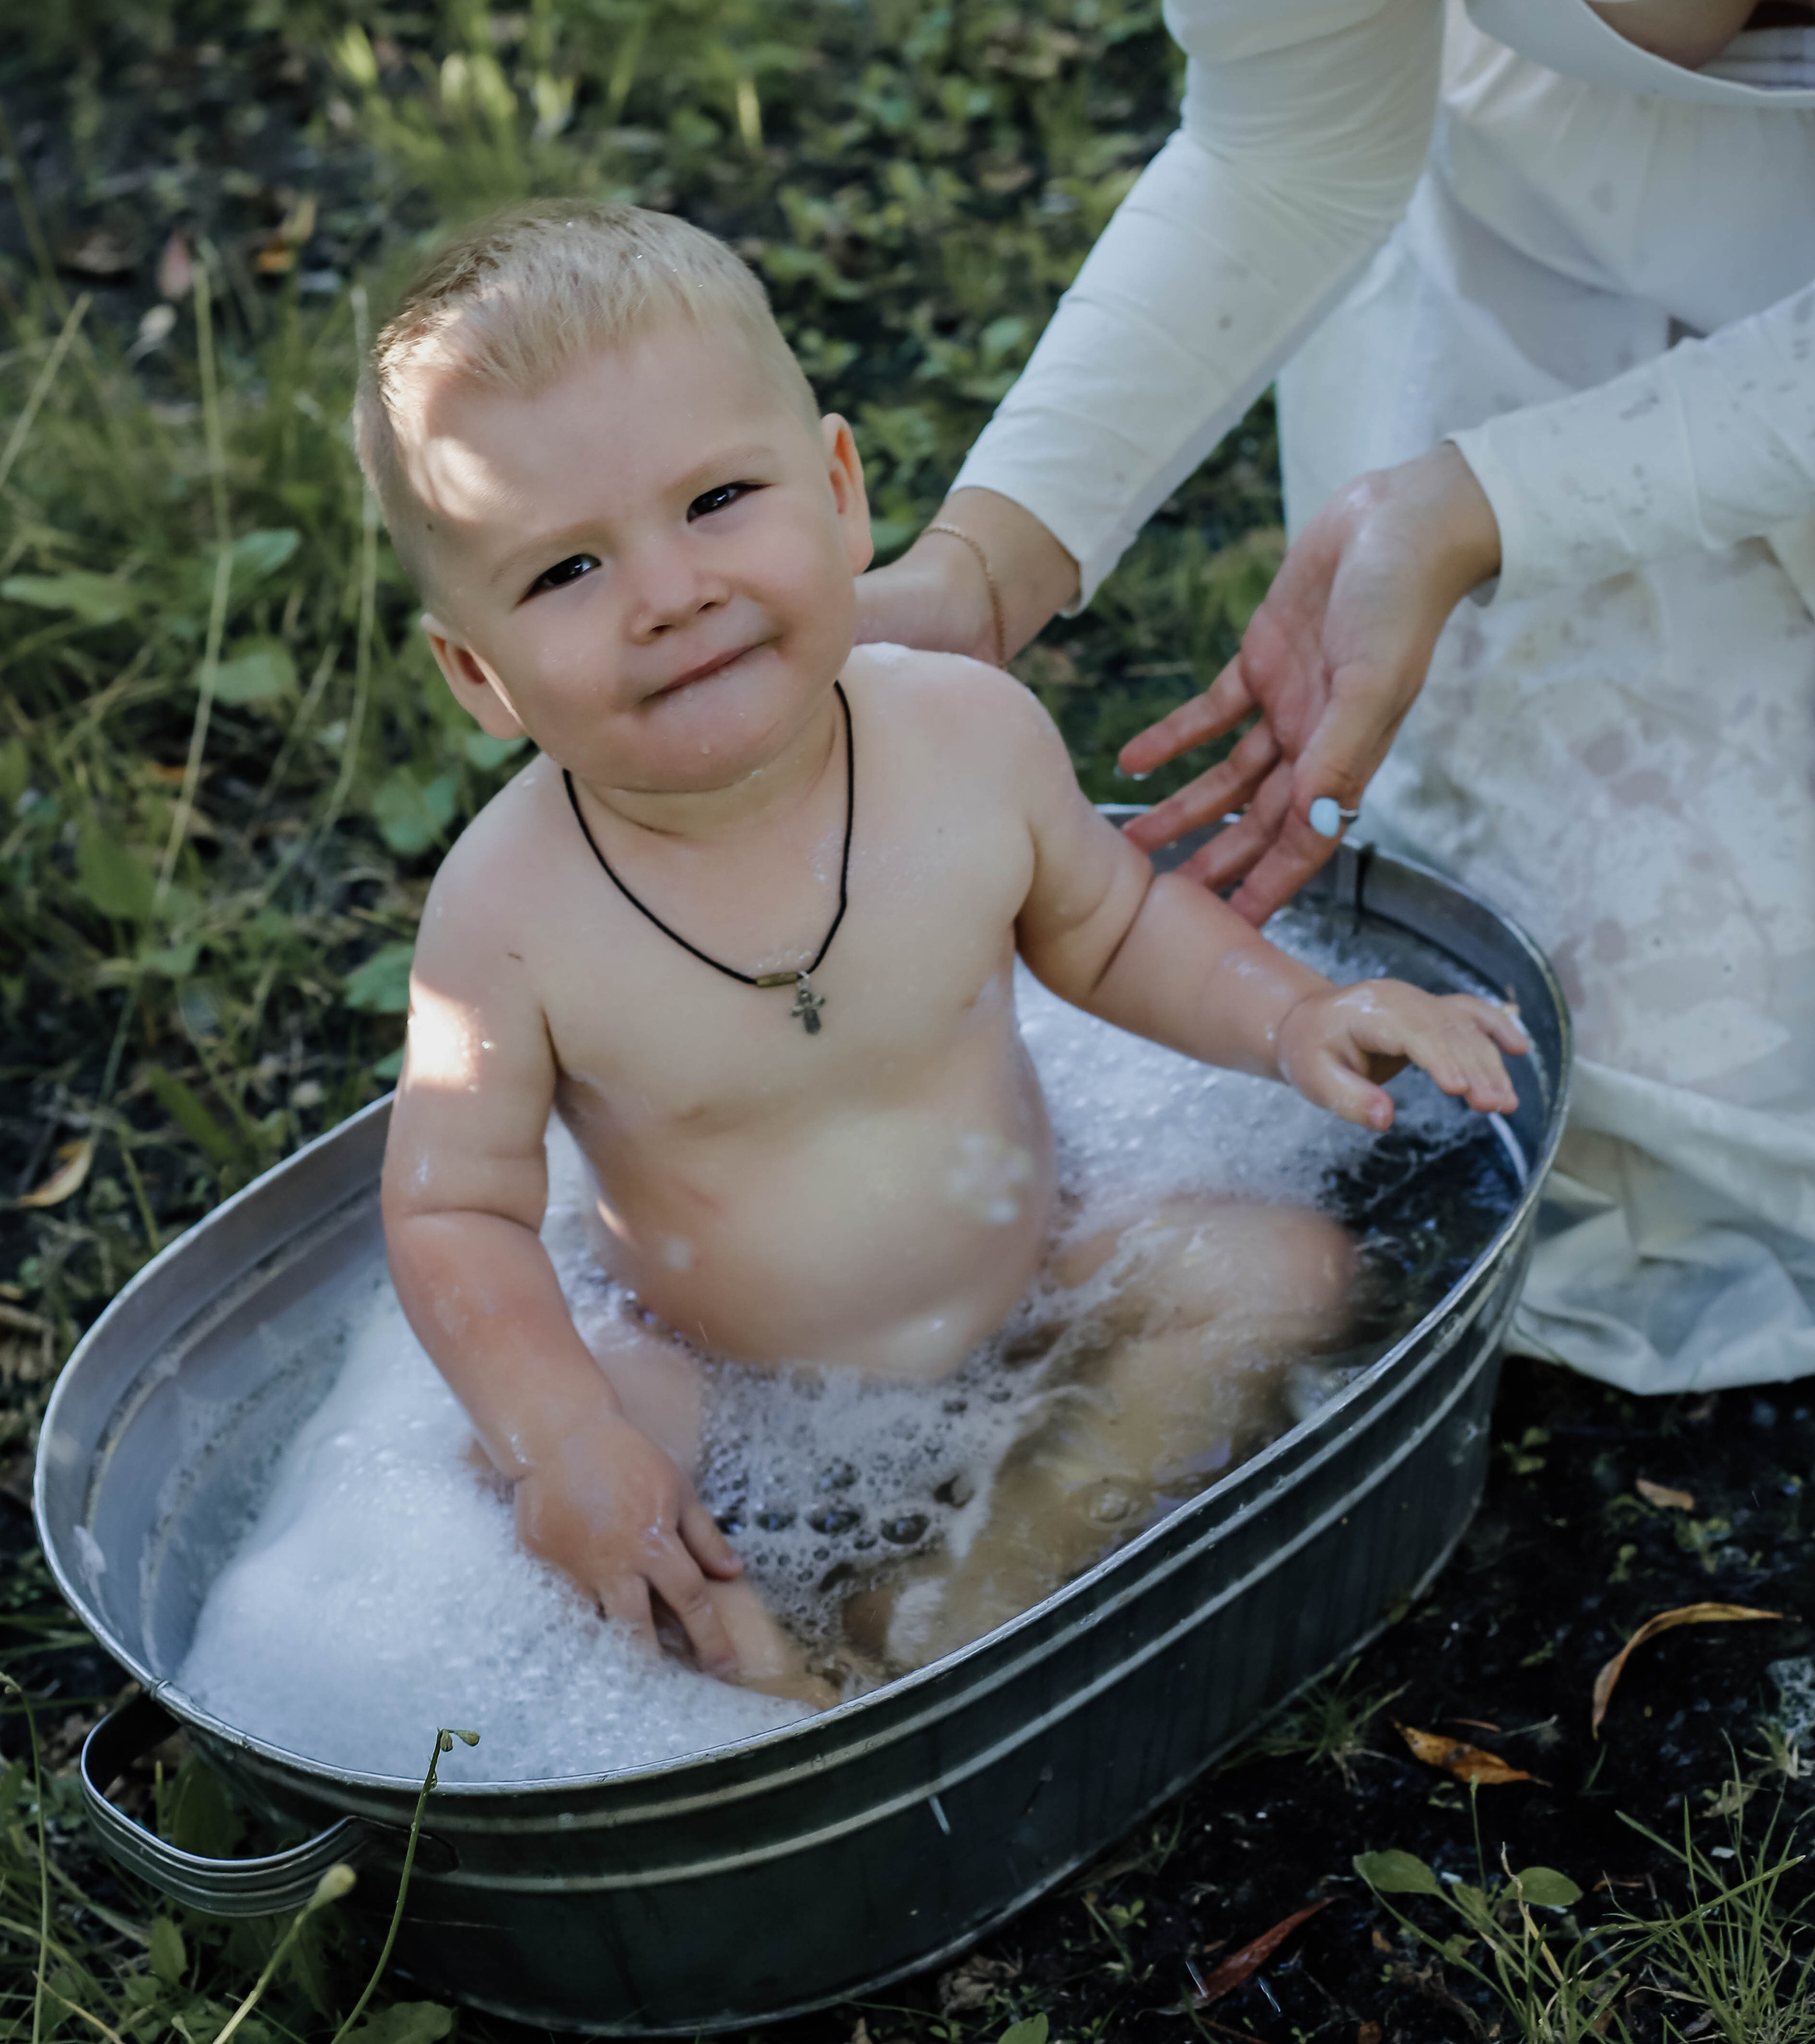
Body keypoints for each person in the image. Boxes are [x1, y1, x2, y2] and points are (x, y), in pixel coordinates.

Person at [861, 0, 1815, 1396]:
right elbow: (1294, 142)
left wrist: (1499, 507)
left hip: (1571, 459)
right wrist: (992, 558)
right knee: (1639, 1069)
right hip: (1581, 312)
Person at [355, 201, 1526, 1696]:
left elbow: (1108, 926)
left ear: (841, 492)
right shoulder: (506, 920)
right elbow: (454, 1210)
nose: (671, 593)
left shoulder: (964, 739)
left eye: (718, 499)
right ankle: (754, 1701)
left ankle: (997, 1574)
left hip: (1041, 1274)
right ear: (479, 674)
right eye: (563, 574)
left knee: (1283, 1270)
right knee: (556, 1477)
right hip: (725, 1380)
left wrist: (1295, 1016)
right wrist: (564, 1434)